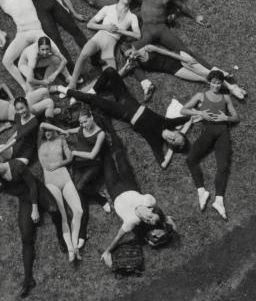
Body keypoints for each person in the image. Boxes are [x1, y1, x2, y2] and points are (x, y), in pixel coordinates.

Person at [59, 67, 189, 166]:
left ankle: (63, 90)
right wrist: (191, 123)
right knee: (110, 71)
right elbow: (188, 118)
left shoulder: (156, 141)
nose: (171, 138)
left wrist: (171, 149)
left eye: (172, 142)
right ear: (176, 131)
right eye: (175, 137)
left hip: (121, 111)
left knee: (93, 100)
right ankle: (93, 91)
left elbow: (162, 163)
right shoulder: (168, 122)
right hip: (128, 99)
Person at [0, 159, 65, 298]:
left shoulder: (17, 166)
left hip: (37, 191)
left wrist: (35, 208)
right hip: (25, 201)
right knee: (26, 238)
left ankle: (60, 235)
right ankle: (28, 280)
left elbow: (32, 186)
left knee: (54, 210)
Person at [100, 118, 175, 268]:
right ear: (151, 210)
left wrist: (108, 251)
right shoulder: (149, 201)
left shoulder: (132, 221)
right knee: (120, 153)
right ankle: (109, 127)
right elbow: (161, 216)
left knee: (107, 159)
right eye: (151, 217)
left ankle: (99, 132)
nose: (147, 219)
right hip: (129, 184)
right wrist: (167, 220)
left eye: (148, 222)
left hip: (114, 190)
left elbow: (118, 237)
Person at [45, 107, 108, 247]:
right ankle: (82, 234)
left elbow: (93, 154)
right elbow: (76, 130)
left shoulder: (100, 133)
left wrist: (75, 152)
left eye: (85, 122)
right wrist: (66, 132)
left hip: (93, 164)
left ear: (91, 117)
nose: (82, 125)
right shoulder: (81, 127)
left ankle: (101, 199)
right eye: (80, 123)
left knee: (80, 186)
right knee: (80, 197)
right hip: (79, 165)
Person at [180, 70, 239, 220]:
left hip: (222, 132)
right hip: (208, 132)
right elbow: (183, 109)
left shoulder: (225, 98)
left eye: (219, 83)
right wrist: (200, 114)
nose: (216, 85)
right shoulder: (201, 96)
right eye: (214, 82)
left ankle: (219, 201)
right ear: (209, 82)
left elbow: (236, 117)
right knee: (191, 159)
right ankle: (201, 191)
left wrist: (225, 117)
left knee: (223, 166)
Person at [132, 0, 210, 68]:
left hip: (161, 28)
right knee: (130, 50)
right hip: (146, 29)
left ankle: (213, 70)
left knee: (184, 51)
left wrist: (195, 16)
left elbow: (180, 5)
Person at [67, 0, 141, 90]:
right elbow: (90, 24)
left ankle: (83, 92)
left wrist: (119, 31)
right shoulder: (108, 8)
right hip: (99, 37)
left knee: (111, 74)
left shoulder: (132, 17)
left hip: (111, 44)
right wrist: (105, 27)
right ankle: (72, 84)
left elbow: (137, 35)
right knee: (83, 54)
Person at [0, 0, 51, 89]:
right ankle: (25, 86)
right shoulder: (3, 1)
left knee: (54, 53)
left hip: (37, 30)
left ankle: (64, 77)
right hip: (22, 33)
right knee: (6, 61)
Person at [119, 44, 247, 100]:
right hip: (174, 70)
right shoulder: (134, 62)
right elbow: (120, 74)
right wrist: (127, 63)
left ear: (133, 47)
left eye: (130, 52)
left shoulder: (147, 48)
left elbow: (167, 52)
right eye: (128, 56)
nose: (131, 56)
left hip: (179, 59)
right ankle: (232, 87)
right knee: (204, 79)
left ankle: (232, 88)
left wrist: (185, 58)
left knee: (207, 73)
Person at [38, 123, 83, 262]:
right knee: (63, 216)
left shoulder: (61, 140)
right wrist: (56, 129)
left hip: (65, 177)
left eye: (49, 130)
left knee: (78, 211)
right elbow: (41, 124)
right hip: (51, 182)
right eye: (45, 131)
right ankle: (70, 249)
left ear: (53, 129)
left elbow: (69, 158)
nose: (47, 133)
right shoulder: (40, 144)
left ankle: (75, 244)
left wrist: (58, 164)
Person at [0, 97, 41, 165]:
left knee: (18, 166)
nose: (20, 112)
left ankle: (5, 163)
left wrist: (1, 151)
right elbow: (19, 130)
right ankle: (4, 163)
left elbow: (19, 137)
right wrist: (9, 140)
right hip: (14, 146)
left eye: (22, 108)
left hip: (25, 151)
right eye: (17, 109)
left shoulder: (34, 122)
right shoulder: (17, 116)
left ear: (27, 106)